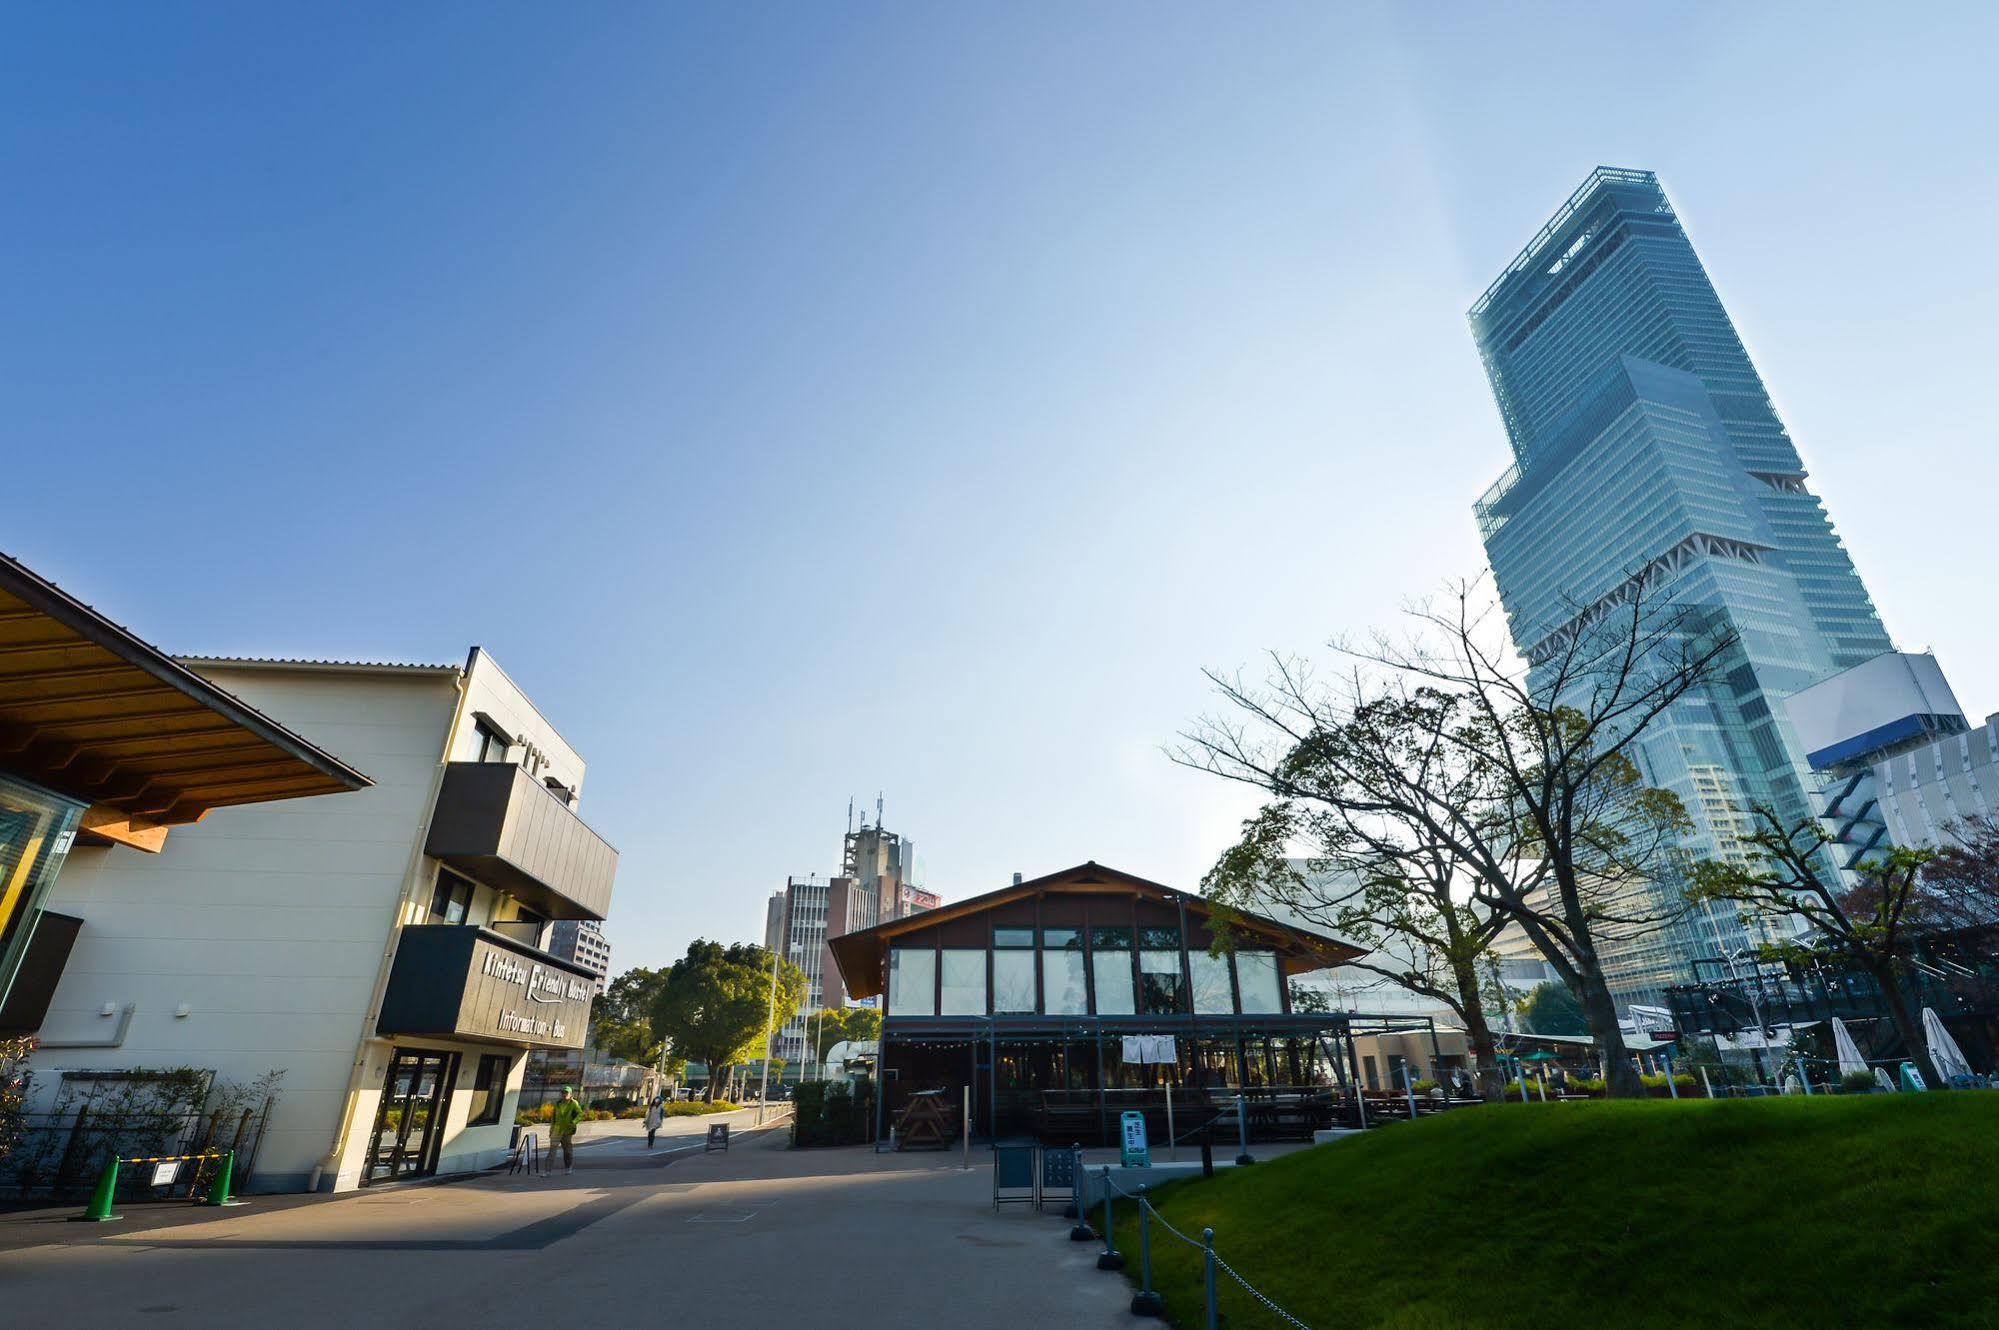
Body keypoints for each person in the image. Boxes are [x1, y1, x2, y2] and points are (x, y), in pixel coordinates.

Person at [551, 1085, 584, 1174]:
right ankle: (548, 1170)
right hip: (557, 1130)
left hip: (567, 1131)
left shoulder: (574, 1103)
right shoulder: (558, 1103)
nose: (564, 1094)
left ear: (570, 1094)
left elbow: (580, 1114)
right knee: (552, 1150)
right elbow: (553, 1117)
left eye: (566, 1093)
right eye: (563, 1092)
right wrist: (551, 1130)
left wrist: (573, 1122)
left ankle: (568, 1167)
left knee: (567, 1151)